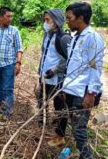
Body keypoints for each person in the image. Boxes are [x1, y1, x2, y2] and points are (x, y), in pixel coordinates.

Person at [51, 2, 105, 159]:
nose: (67, 21)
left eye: (69, 18)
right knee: (76, 127)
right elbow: (72, 66)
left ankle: (87, 156)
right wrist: (64, 88)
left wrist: (91, 93)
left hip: (83, 92)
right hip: (72, 89)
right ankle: (81, 154)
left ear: (81, 18)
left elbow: (95, 67)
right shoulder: (75, 37)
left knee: (79, 130)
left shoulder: (92, 39)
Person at [36, 9, 71, 145]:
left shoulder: (64, 38)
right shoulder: (47, 35)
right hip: (44, 77)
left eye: (47, 20)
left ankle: (60, 136)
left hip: (57, 79)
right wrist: (40, 73)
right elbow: (44, 56)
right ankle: (42, 125)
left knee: (60, 107)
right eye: (44, 20)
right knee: (41, 100)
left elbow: (71, 59)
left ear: (56, 21)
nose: (45, 23)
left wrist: (56, 70)